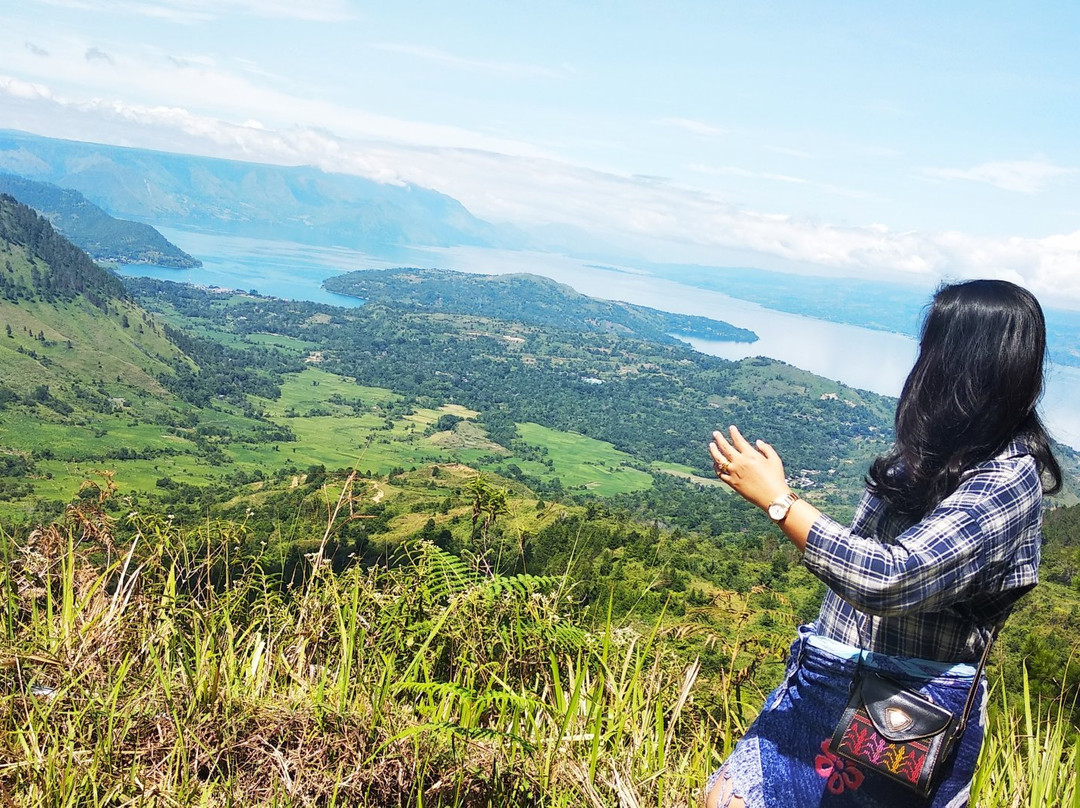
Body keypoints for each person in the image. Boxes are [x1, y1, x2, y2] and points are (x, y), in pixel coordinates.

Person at [703, 279, 1061, 808]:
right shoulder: (941, 450)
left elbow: (890, 579)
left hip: (900, 715)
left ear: (964, 364)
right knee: (729, 795)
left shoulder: (1007, 481)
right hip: (827, 680)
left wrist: (780, 501)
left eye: (932, 347)